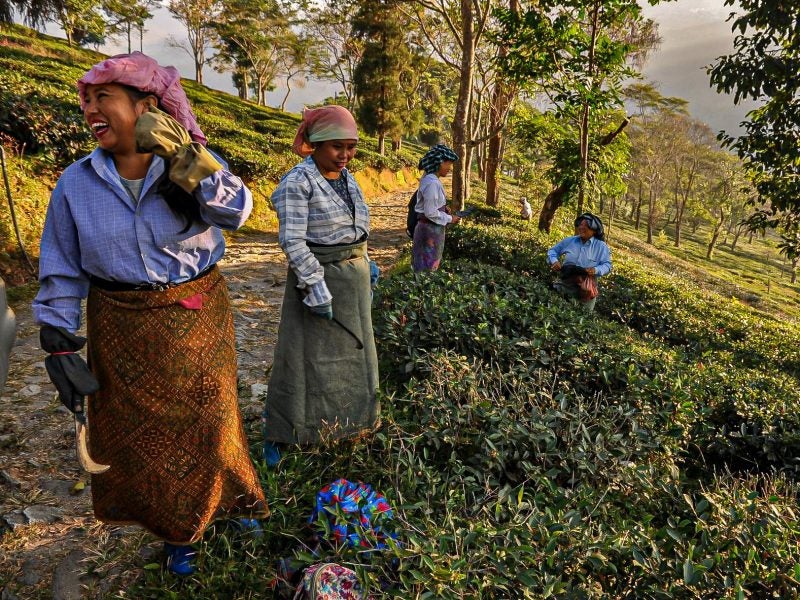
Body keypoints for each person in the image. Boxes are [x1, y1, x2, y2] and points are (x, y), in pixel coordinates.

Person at [31, 52, 267, 576]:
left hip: (195, 318)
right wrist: (59, 340)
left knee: (211, 420)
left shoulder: (191, 164)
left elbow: (239, 211)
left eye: (104, 98)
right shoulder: (75, 184)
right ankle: (174, 530)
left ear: (147, 107)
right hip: (120, 321)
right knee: (142, 435)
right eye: (87, 100)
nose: (91, 109)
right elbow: (63, 268)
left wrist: (186, 157)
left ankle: (227, 501)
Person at [263, 105, 379, 464]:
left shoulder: (348, 178)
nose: (345, 155)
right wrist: (315, 287)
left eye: (351, 146)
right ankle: (290, 432)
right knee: (305, 360)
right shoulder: (297, 183)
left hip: (353, 283)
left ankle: (347, 426)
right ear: (314, 144)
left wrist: (367, 263)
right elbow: (294, 242)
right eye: (336, 147)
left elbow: (355, 228)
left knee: (354, 354)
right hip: (321, 281)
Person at [546, 212, 612, 312]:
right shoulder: (570, 241)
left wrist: (595, 270)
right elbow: (552, 251)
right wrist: (554, 261)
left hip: (586, 289)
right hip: (566, 283)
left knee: (582, 317)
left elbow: (607, 265)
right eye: (580, 224)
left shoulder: (601, 246)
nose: (581, 227)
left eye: (586, 225)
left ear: (594, 230)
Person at [411, 144, 460, 272]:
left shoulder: (430, 180)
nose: (449, 168)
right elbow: (430, 212)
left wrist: (444, 208)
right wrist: (449, 218)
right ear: (439, 163)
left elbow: (431, 205)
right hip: (429, 232)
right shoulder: (432, 183)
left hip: (430, 231)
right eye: (448, 164)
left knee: (427, 266)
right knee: (426, 269)